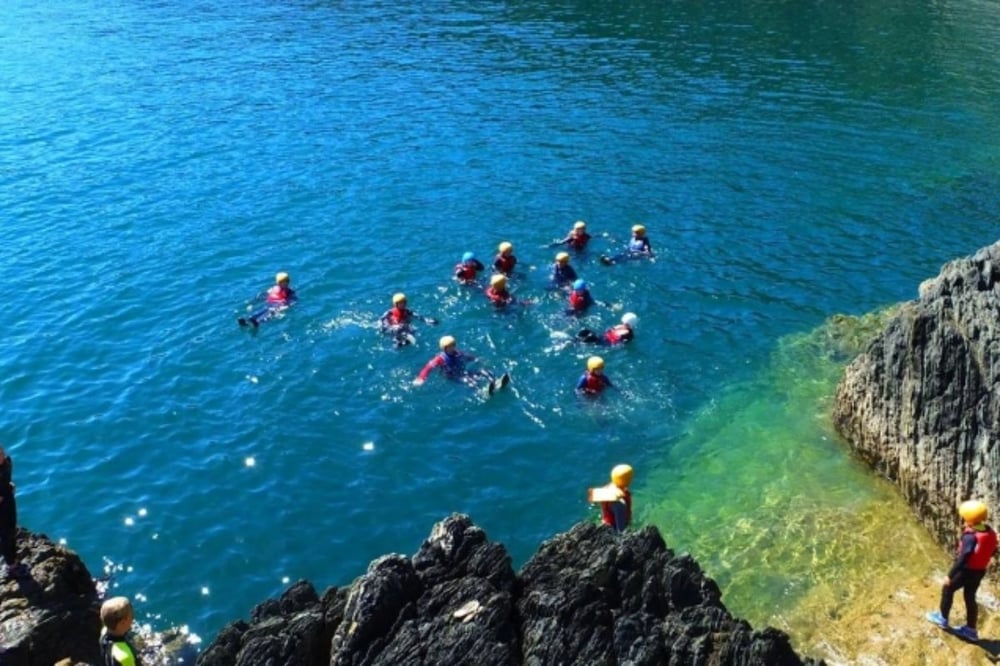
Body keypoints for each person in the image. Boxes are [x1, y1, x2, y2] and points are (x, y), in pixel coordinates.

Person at [926, 500, 998, 641]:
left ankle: (942, 619)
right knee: (970, 597)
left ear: (969, 519)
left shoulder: (970, 536)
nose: (963, 519)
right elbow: (992, 549)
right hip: (979, 571)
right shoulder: (989, 531)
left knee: (947, 589)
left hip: (966, 571)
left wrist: (950, 575)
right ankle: (971, 630)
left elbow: (964, 556)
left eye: (964, 517)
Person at [414, 335, 507, 392]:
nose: (453, 347)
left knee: (484, 372)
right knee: (471, 381)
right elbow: (427, 368)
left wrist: (477, 359)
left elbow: (468, 357)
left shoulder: (457, 353)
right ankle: (481, 392)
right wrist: (421, 378)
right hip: (453, 376)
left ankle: (495, 382)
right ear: (445, 348)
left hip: (462, 372)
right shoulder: (439, 359)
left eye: (453, 345)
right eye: (450, 346)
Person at [0, 446, 25, 580]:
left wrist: (10, 486)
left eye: (1, 452)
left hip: (8, 500)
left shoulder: (7, 462)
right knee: (5, 534)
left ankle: (14, 559)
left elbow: (6, 479)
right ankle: (11, 566)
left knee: (11, 528)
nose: (1, 455)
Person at [588, 464, 633, 532]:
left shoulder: (607, 491)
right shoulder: (620, 504)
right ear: (628, 480)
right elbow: (621, 530)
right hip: (612, 530)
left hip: (606, 524)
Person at [100, 596, 141, 666]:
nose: (133, 619)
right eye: (131, 616)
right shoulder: (125, 656)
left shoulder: (104, 631)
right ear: (122, 622)